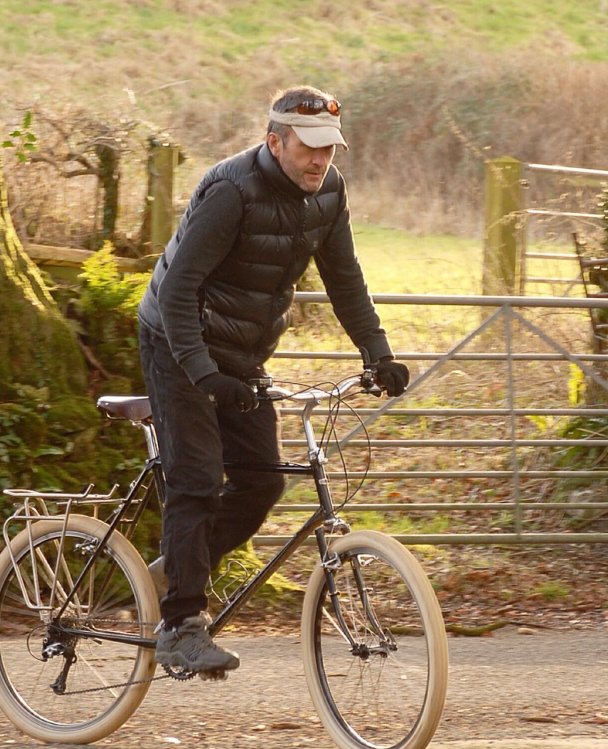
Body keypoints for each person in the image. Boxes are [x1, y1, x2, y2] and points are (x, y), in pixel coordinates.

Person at [136, 86, 410, 674]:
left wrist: (377, 352)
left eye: (328, 149)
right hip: (176, 339)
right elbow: (179, 290)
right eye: (308, 148)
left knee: (262, 483)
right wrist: (205, 376)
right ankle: (181, 626)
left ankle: (171, 569)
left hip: (242, 352)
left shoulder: (329, 194)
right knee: (198, 478)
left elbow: (345, 279)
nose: (319, 160)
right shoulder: (231, 192)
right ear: (274, 142)